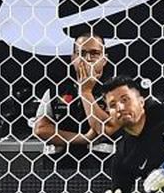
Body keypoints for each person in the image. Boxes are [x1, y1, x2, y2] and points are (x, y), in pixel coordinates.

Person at [33, 34, 114, 168]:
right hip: (58, 167)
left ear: (104, 59)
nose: (87, 59)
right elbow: (41, 129)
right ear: (73, 58)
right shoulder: (56, 91)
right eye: (81, 53)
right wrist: (83, 139)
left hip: (101, 167)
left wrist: (85, 92)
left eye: (94, 54)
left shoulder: (115, 91)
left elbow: (106, 128)